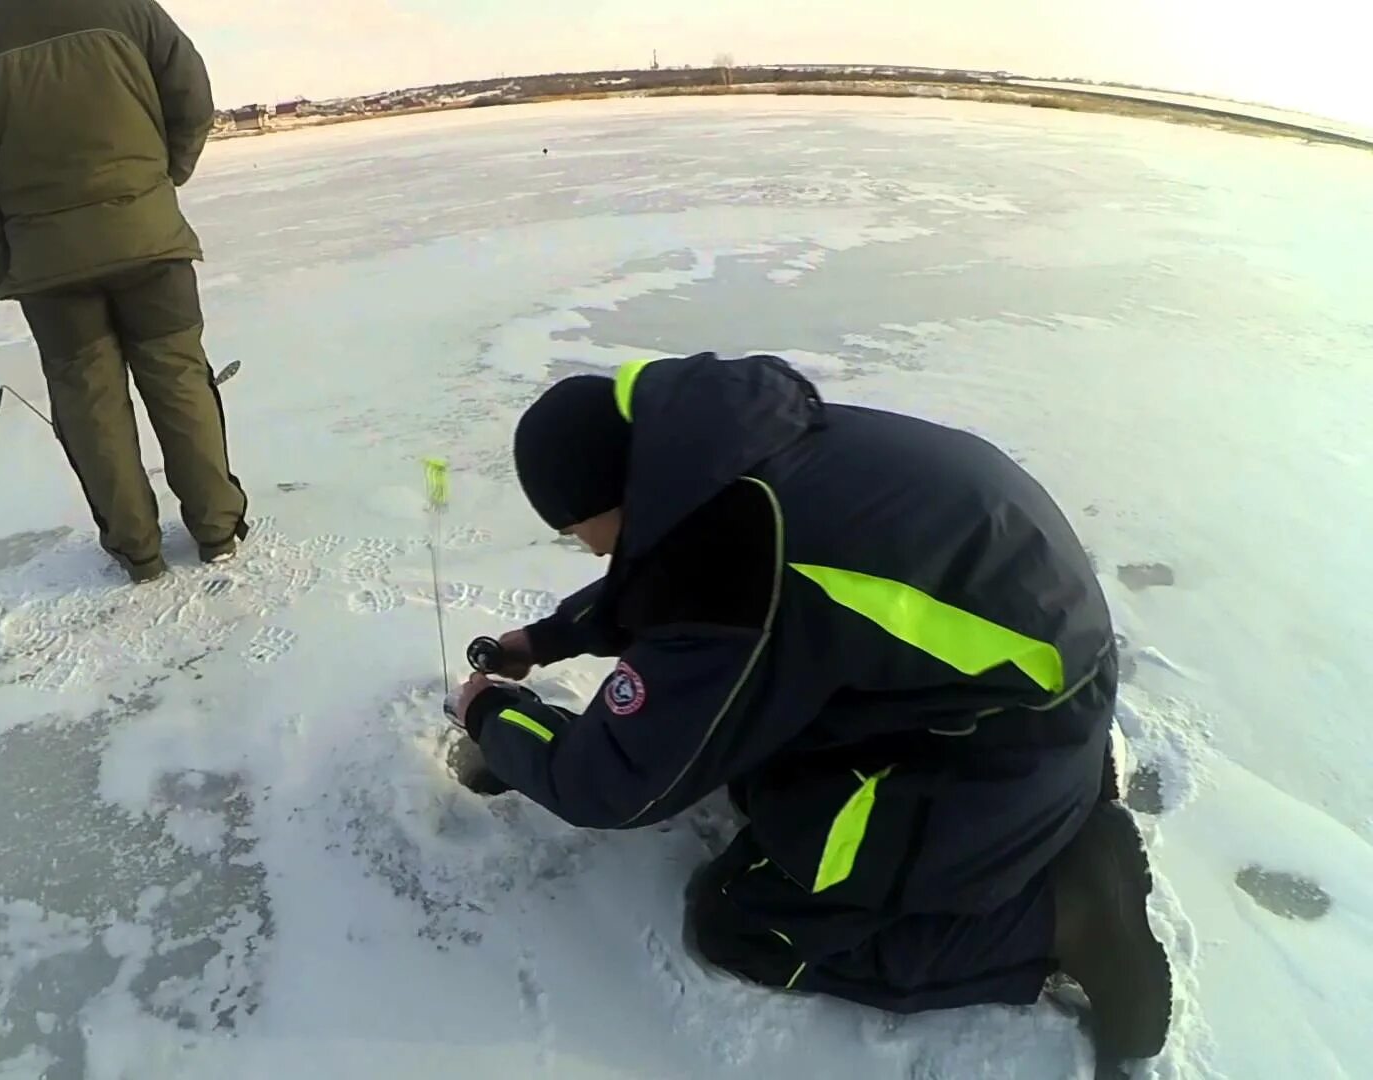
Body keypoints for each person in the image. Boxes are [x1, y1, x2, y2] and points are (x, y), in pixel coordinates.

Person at [455, 353, 1172, 1061]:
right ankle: (1056, 820)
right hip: (1029, 673)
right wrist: (549, 638)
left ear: (610, 498)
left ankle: (1061, 918)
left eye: (577, 531)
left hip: (1005, 749)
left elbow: (609, 781)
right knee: (747, 749)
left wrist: (493, 716)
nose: (583, 550)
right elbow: (678, 575)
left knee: (745, 922)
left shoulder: (736, 556)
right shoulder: (732, 441)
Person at [0, 0, 248, 584]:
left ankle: (138, 552)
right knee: (180, 381)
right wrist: (157, 184)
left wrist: (0, 266)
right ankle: (216, 529)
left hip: (48, 269)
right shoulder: (129, 11)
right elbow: (192, 102)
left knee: (90, 405)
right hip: (149, 241)